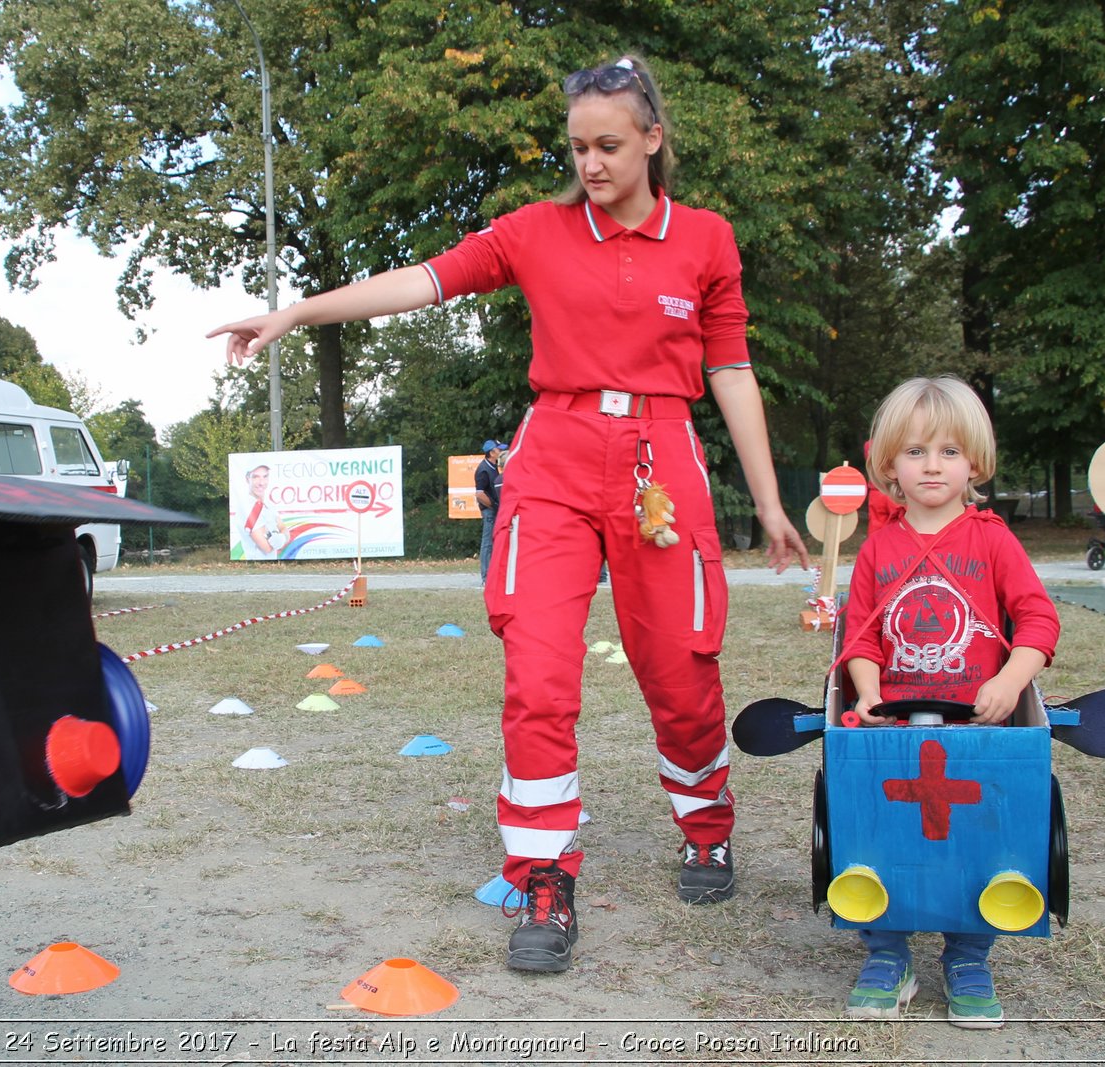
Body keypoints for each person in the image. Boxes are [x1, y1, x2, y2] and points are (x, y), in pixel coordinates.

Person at [210, 53, 807, 974]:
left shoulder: (708, 241)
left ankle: (707, 828)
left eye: (609, 145)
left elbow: (728, 369)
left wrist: (767, 502)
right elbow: (423, 280)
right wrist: (296, 313)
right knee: (537, 673)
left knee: (681, 673)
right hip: (555, 458)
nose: (592, 165)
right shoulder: (535, 230)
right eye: (578, 148)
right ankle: (543, 874)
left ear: (653, 139)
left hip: (661, 460)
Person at [839, 376, 1060, 1028]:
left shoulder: (992, 540)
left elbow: (1039, 622)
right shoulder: (878, 547)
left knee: (979, 837)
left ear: (975, 463)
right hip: (894, 729)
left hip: (979, 728)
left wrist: (1010, 679)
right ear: (889, 466)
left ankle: (968, 954)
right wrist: (870, 691)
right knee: (883, 831)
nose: (931, 465)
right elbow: (860, 634)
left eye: (947, 451)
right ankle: (887, 950)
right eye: (913, 451)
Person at [233, 462, 289, 559]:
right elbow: (267, 547)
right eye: (255, 477)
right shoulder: (247, 508)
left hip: (272, 565)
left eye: (265, 476)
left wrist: (283, 538)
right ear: (247, 479)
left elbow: (283, 528)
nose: (261, 482)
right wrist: (280, 538)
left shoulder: (268, 504)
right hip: (257, 565)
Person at [475, 439, 508, 582]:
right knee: (487, 542)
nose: (501, 451)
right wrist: (494, 506)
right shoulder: (483, 469)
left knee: (494, 541)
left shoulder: (494, 467)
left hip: (494, 508)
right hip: (489, 510)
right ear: (491, 452)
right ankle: (486, 576)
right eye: (498, 449)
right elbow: (480, 494)